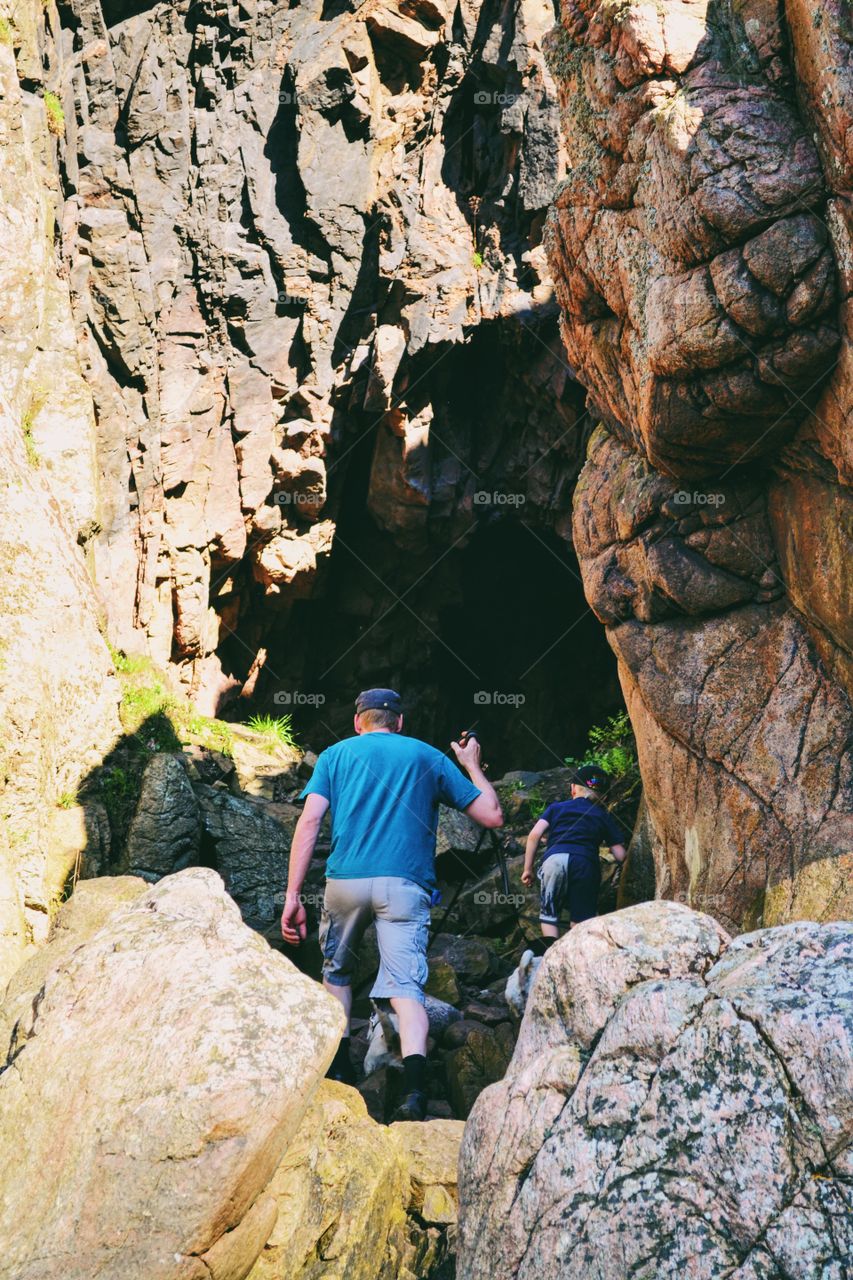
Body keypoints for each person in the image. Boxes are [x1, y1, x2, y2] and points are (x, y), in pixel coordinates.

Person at [281, 688, 503, 1121]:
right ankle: (415, 1092)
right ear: (399, 722)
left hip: (345, 881)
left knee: (337, 973)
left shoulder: (334, 756)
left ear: (358, 721)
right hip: (404, 885)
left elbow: (309, 821)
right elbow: (492, 816)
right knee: (406, 989)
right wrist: (472, 765)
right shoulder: (426, 757)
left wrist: (292, 897)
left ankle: (340, 1070)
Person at [521, 765, 626, 941]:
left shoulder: (556, 808)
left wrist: (528, 869)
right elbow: (620, 854)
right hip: (585, 863)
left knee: (549, 915)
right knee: (581, 922)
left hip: (554, 860)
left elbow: (534, 835)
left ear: (572, 788)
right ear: (605, 798)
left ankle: (551, 950)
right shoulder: (602, 815)